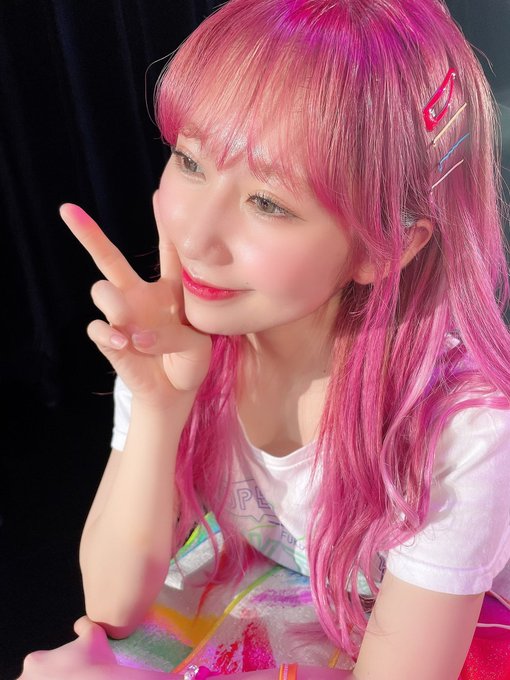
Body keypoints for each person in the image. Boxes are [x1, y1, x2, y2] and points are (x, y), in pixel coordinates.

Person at [20, 0, 510, 678]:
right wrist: (159, 404)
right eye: (190, 161)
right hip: (283, 590)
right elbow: (112, 605)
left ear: (387, 247)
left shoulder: (461, 431)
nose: (196, 237)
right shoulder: (182, 335)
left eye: (268, 202)